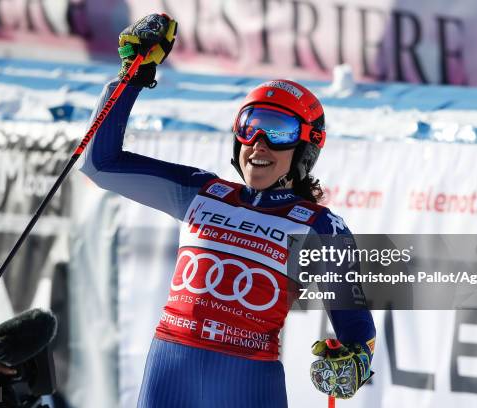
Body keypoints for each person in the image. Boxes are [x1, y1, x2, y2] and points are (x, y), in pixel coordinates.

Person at [80, 13, 376, 408]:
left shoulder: (320, 227)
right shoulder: (201, 192)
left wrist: (355, 359)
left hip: (249, 381)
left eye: (280, 132)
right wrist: (132, 76)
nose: (259, 143)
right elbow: (99, 164)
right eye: (249, 125)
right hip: (171, 370)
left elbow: (357, 327)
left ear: (305, 149)